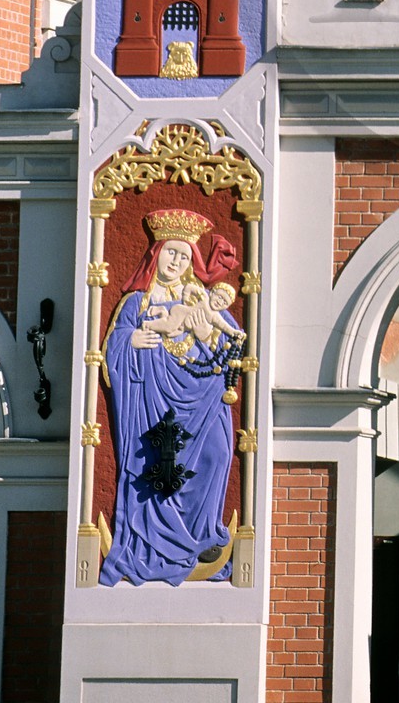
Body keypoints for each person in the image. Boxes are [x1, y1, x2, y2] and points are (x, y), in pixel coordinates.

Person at [99, 208, 240, 586]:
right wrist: (131, 340)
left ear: (192, 262)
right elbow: (113, 352)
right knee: (158, 468)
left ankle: (202, 533)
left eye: (183, 255)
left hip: (204, 398)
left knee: (218, 455)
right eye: (170, 252)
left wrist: (212, 338)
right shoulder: (137, 303)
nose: (176, 261)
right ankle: (158, 543)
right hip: (153, 407)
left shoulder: (203, 300)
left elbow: (231, 345)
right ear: (155, 254)